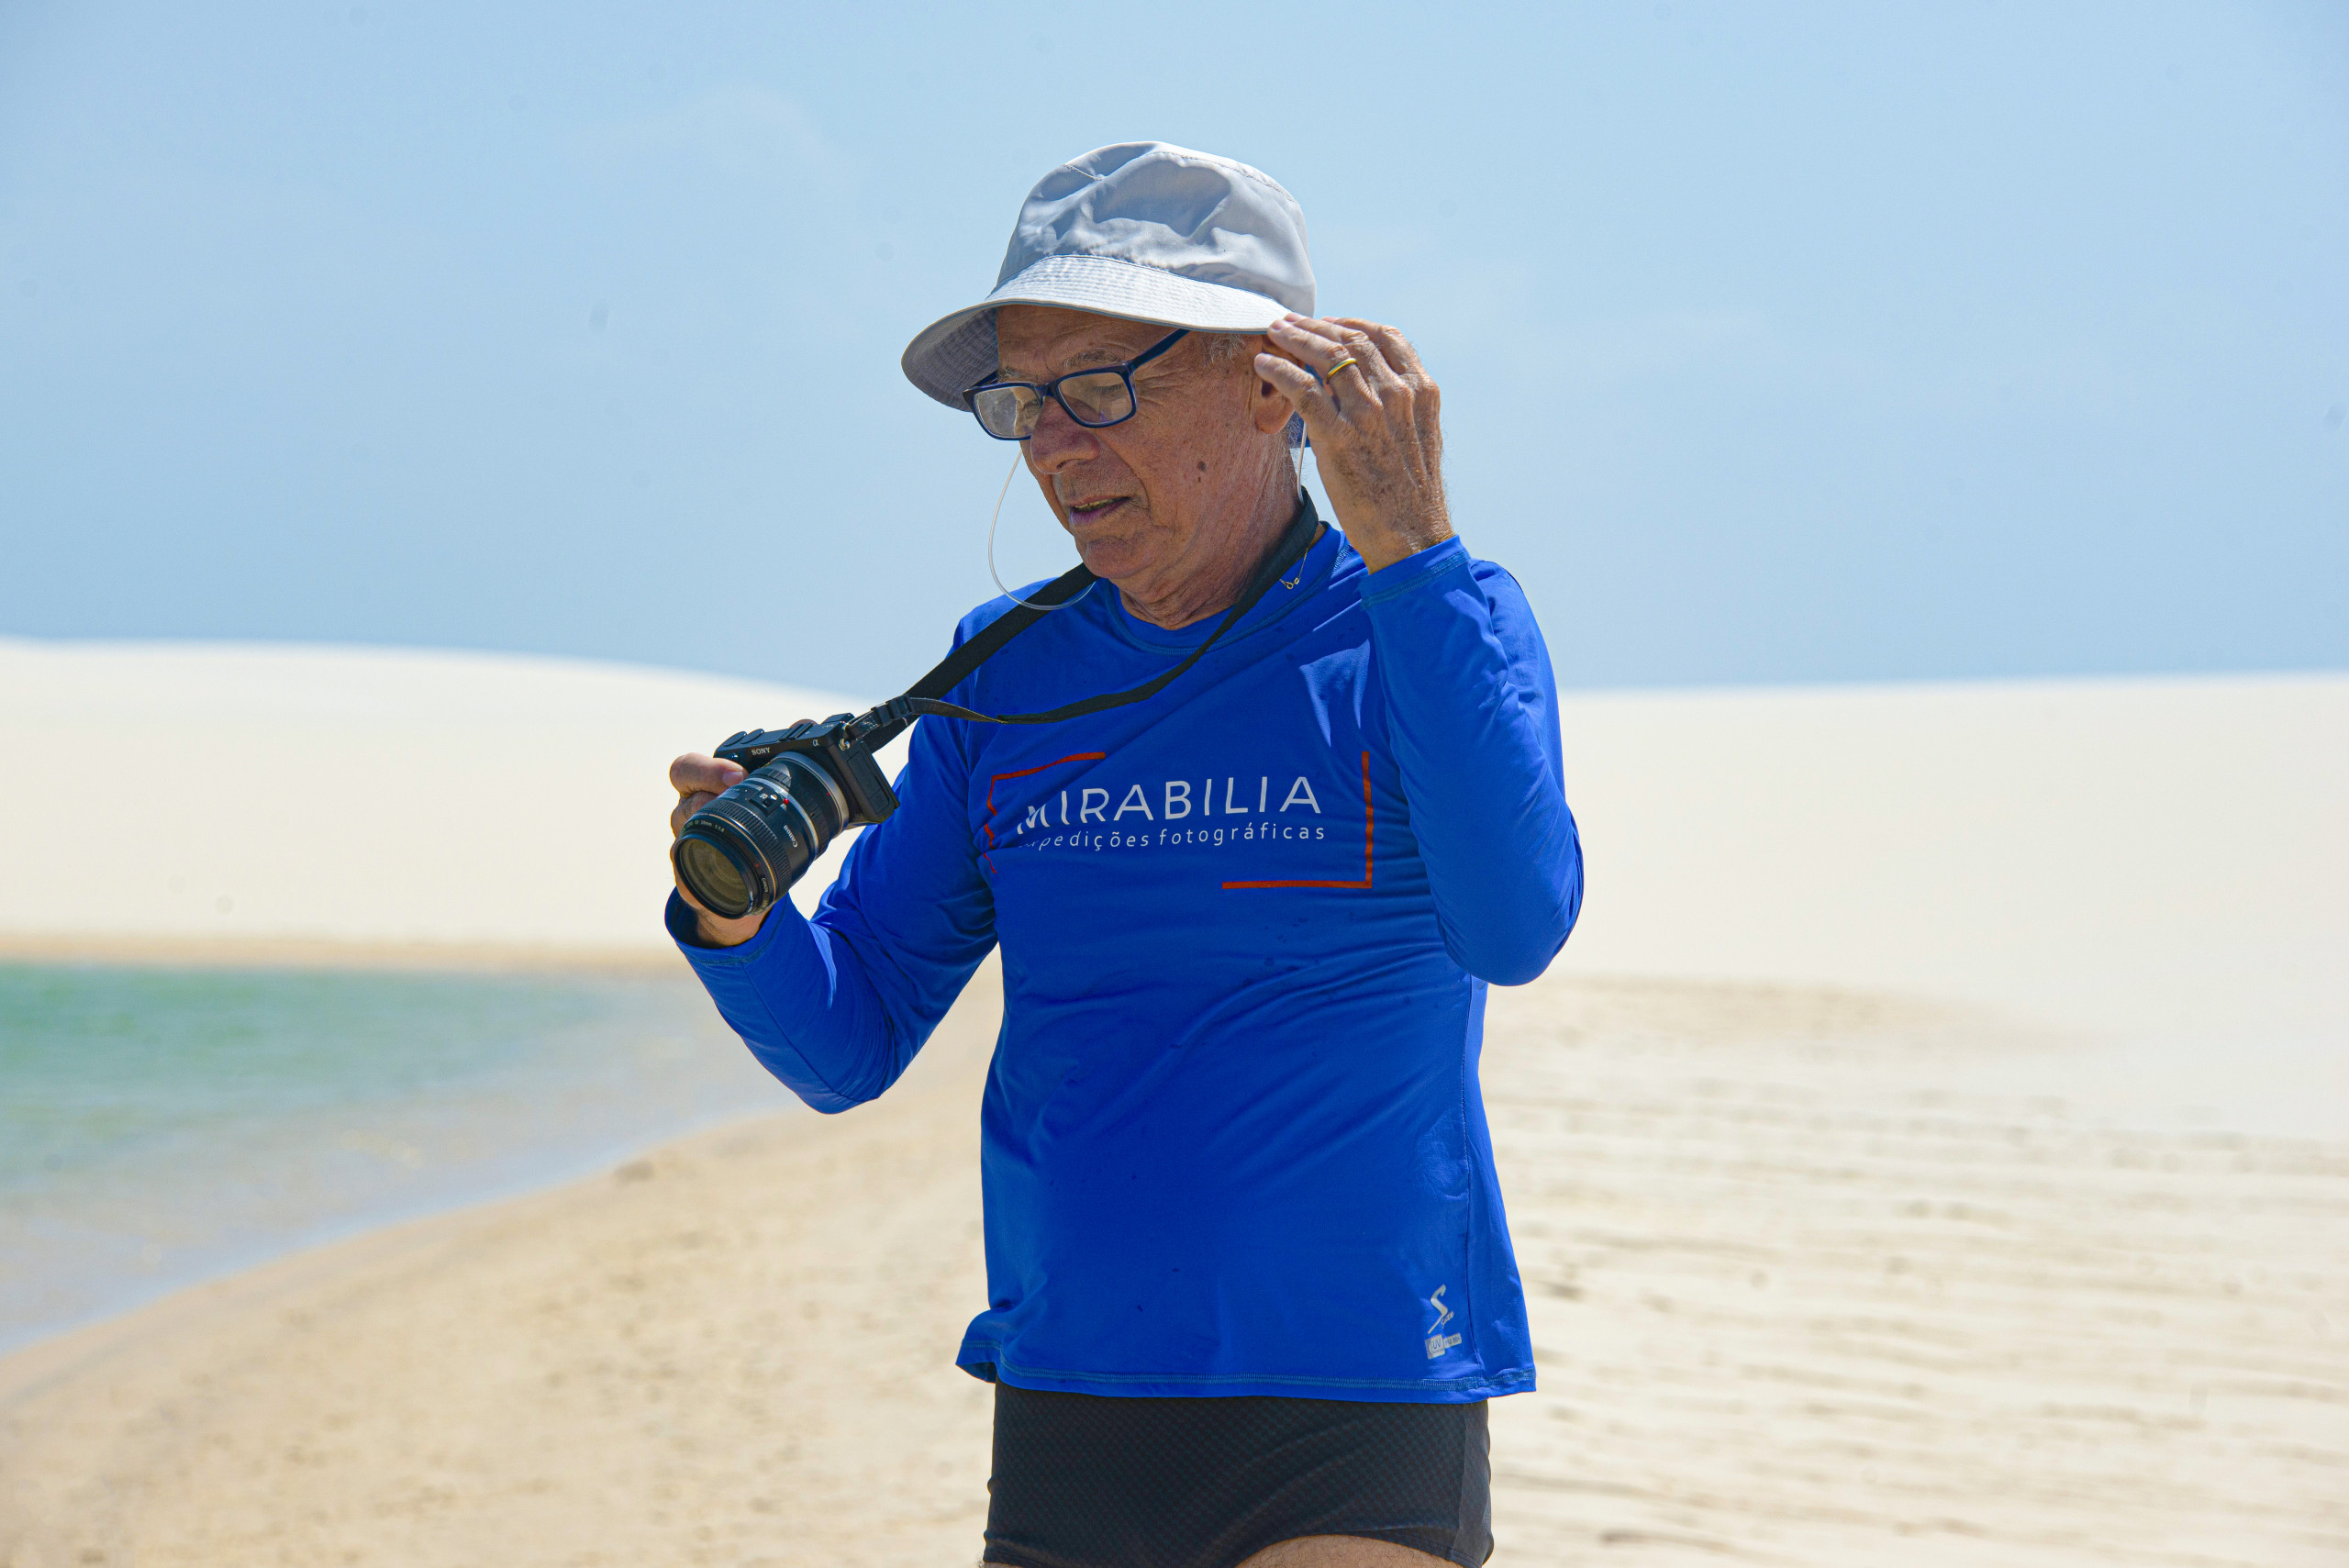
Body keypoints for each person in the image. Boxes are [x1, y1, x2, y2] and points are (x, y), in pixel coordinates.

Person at [666, 142, 1582, 1568]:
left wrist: (1412, 543)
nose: (1052, 447)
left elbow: (1515, 925)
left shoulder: (1424, 618)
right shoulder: (999, 675)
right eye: (1021, 402)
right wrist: (736, 919)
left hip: (1360, 1388)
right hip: (1073, 1400)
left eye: (1098, 388)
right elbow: (849, 1039)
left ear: (1270, 383)